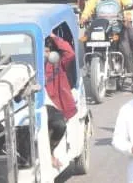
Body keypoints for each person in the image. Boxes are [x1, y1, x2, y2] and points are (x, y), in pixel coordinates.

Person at [80, 0, 133, 86]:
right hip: (100, 25)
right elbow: (89, 6)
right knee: (85, 39)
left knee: (124, 48)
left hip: (117, 25)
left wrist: (127, 15)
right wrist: (84, 17)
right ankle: (89, 66)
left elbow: (127, 4)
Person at [43, 33, 76, 169]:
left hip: (55, 106)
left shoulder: (57, 62)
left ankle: (50, 153)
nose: (44, 55)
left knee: (59, 126)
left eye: (46, 51)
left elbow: (70, 53)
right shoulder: (29, 65)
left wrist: (54, 37)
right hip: (36, 105)